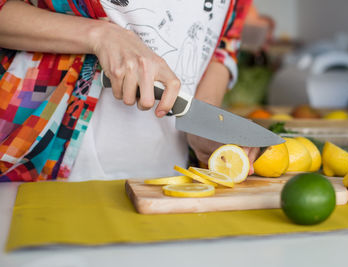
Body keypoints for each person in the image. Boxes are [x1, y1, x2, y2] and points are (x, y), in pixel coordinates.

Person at [0, 0, 259, 182]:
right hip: (39, 162)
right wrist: (100, 36)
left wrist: (201, 126)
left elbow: (223, 46)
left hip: (168, 172)